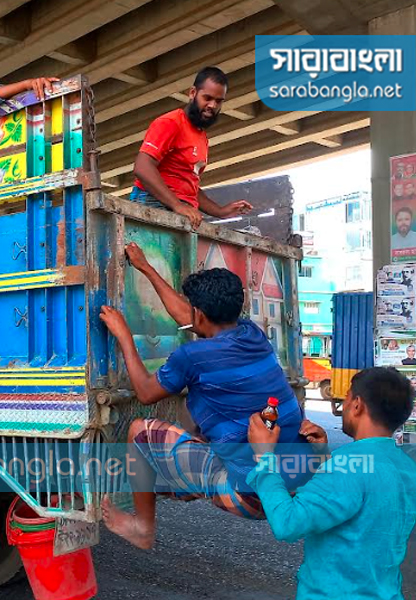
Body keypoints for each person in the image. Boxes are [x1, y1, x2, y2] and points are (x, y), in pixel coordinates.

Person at [98, 242, 316, 550]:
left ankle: (142, 526)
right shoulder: (252, 333)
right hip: (293, 480)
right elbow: (187, 317)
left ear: (199, 314)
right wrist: (145, 267)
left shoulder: (193, 356)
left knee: (140, 432)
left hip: (254, 493)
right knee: (197, 437)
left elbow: (146, 393)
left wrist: (123, 335)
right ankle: (180, 485)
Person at [247, 367, 416, 600]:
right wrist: (323, 456)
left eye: (346, 399)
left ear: (357, 405)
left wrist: (264, 455)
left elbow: (288, 522)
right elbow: (360, 505)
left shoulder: (348, 466)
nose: (344, 406)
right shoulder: (406, 467)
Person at [131, 67, 253, 228]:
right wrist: (178, 205)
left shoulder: (202, 138)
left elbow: (189, 187)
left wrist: (221, 211)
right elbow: (142, 167)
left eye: (218, 101)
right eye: (207, 98)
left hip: (180, 209)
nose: (212, 105)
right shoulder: (171, 123)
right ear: (192, 93)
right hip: (153, 203)